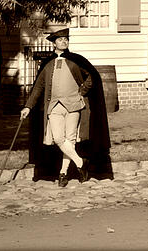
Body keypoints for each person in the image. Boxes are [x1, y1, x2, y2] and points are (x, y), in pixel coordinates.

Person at [21, 28, 112, 186]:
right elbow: (38, 87)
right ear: (54, 43)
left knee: (70, 140)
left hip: (74, 105)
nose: (64, 42)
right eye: (60, 39)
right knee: (58, 138)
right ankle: (80, 163)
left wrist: (82, 91)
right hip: (54, 106)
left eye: (66, 39)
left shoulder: (76, 60)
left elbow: (92, 76)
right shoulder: (47, 63)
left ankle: (63, 173)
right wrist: (28, 107)